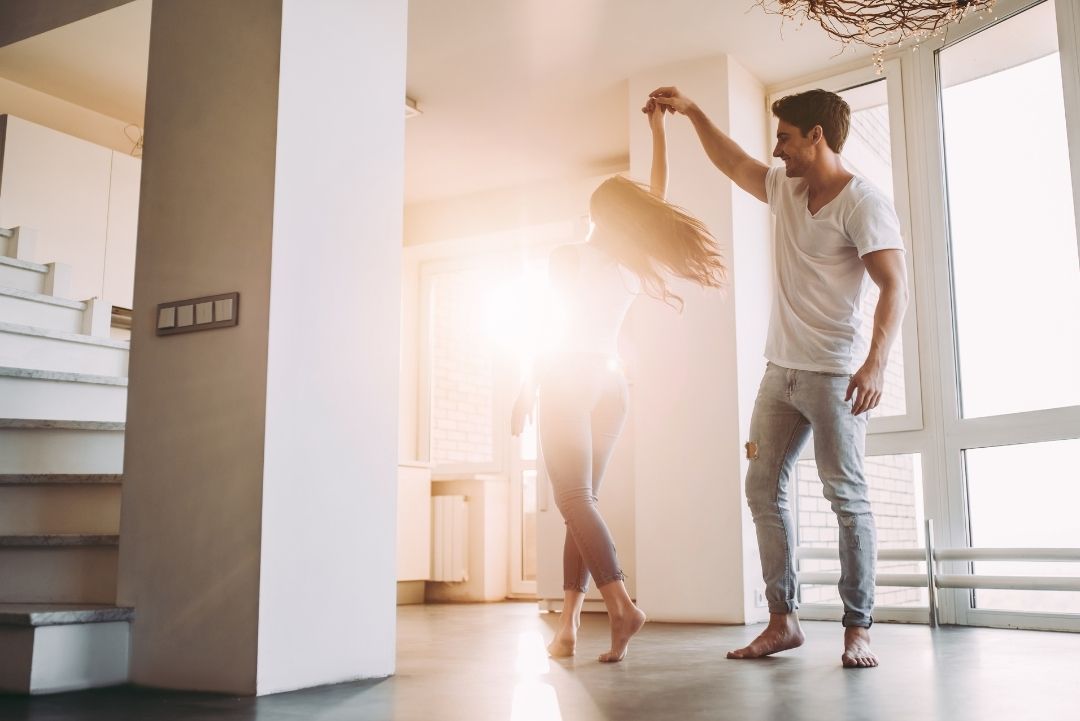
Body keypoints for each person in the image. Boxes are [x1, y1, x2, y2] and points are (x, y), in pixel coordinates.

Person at [649, 86, 908, 668]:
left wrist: (876, 363)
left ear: (817, 136)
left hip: (836, 377)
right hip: (780, 374)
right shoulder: (786, 188)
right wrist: (692, 110)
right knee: (761, 488)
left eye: (786, 137)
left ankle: (857, 628)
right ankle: (783, 620)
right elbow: (735, 161)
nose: (778, 149)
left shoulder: (862, 203)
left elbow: (895, 284)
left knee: (847, 498)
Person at [511, 101, 726, 663]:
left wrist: (523, 389)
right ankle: (569, 628)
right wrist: (657, 131)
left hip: (567, 378)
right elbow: (655, 196)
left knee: (573, 499)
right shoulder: (634, 261)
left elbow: (549, 327)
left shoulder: (567, 257)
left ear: (596, 215)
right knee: (581, 505)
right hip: (612, 387)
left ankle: (623, 606)